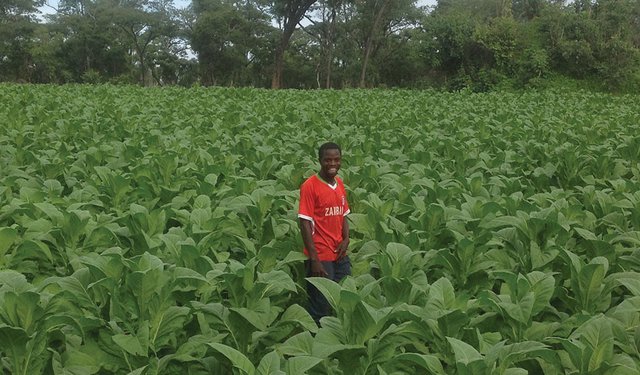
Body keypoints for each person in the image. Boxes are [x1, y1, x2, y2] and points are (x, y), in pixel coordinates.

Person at [298, 142, 351, 326]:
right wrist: (314, 259)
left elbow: (344, 214)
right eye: (328, 160)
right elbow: (304, 222)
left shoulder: (340, 184)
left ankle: (332, 336)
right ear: (320, 161)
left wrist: (346, 239)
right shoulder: (310, 186)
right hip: (321, 255)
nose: (332, 164)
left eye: (336, 160)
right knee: (320, 305)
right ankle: (314, 341)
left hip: (340, 252)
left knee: (342, 297)